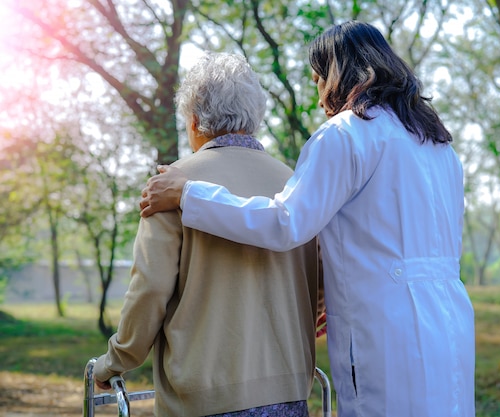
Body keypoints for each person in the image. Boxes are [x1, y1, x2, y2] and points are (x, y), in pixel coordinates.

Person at [140, 21, 475, 417]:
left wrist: (189, 194)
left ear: (343, 73)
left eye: (318, 79)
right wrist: (327, 291)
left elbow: (285, 222)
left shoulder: (347, 134)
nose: (319, 98)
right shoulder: (437, 144)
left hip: (388, 333)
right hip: (451, 325)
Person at [94, 51, 321, 417]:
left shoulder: (169, 186)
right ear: (255, 117)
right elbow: (321, 282)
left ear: (195, 120)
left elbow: (149, 289)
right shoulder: (297, 185)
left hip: (203, 398)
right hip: (289, 392)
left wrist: (116, 360)